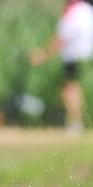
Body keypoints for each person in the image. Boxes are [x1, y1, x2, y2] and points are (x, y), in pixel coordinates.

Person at [29, 0, 93, 133]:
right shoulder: (86, 9)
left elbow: (62, 38)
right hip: (84, 56)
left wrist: (43, 55)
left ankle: (76, 123)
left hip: (76, 56)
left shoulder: (75, 12)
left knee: (70, 88)